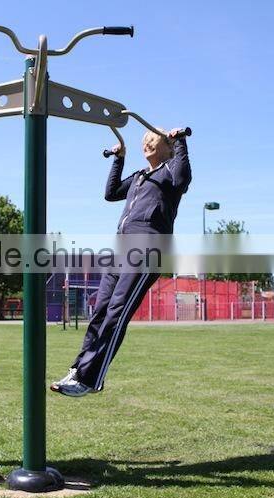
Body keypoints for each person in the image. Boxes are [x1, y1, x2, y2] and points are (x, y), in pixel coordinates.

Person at [51, 127, 192, 397]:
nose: (147, 142)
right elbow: (111, 192)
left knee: (117, 312)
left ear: (167, 145)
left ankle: (90, 379)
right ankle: (79, 369)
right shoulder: (140, 177)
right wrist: (119, 159)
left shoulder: (171, 172)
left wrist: (181, 141)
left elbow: (184, 177)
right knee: (100, 311)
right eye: (144, 140)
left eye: (153, 138)